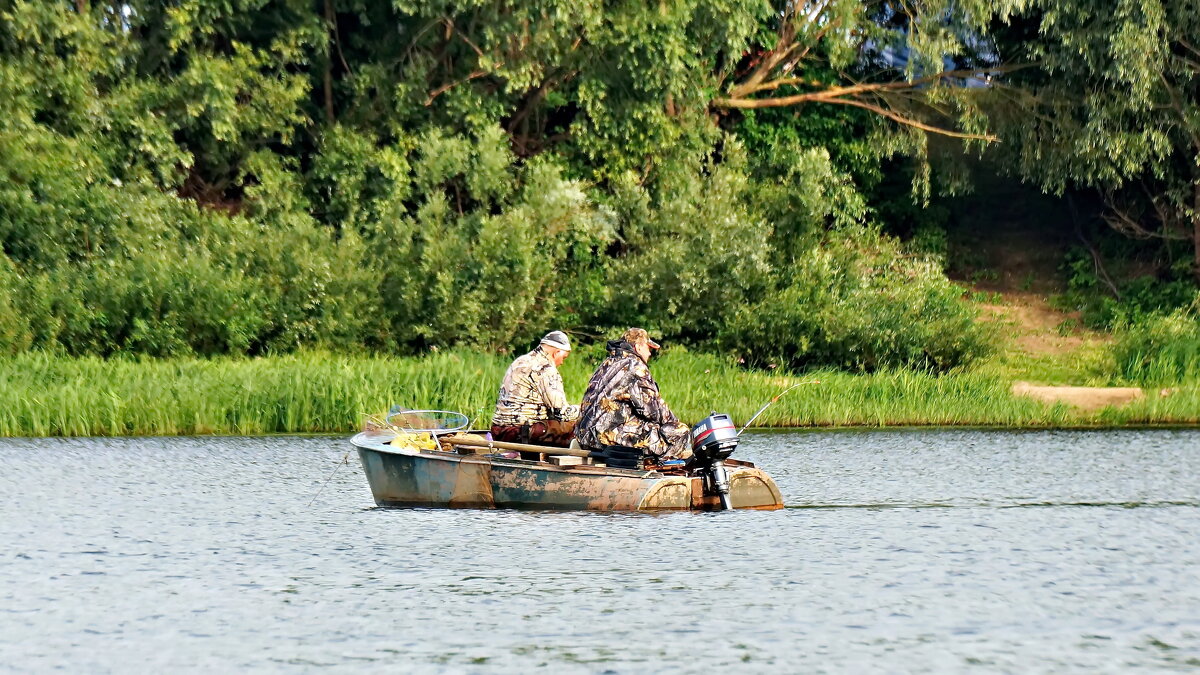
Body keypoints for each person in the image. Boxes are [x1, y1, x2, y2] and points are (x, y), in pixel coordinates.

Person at [574, 327, 692, 465]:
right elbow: (654, 410)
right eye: (648, 348)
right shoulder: (635, 366)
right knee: (680, 431)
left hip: (585, 437)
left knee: (652, 426)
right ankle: (661, 467)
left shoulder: (607, 363)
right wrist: (674, 423)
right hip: (605, 437)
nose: (649, 353)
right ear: (638, 347)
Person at [490, 330, 579, 447]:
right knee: (576, 425)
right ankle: (562, 461)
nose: (562, 362)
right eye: (564, 357)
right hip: (523, 432)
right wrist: (582, 410)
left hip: (498, 430)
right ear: (556, 353)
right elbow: (561, 413)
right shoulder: (546, 369)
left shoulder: (519, 361)